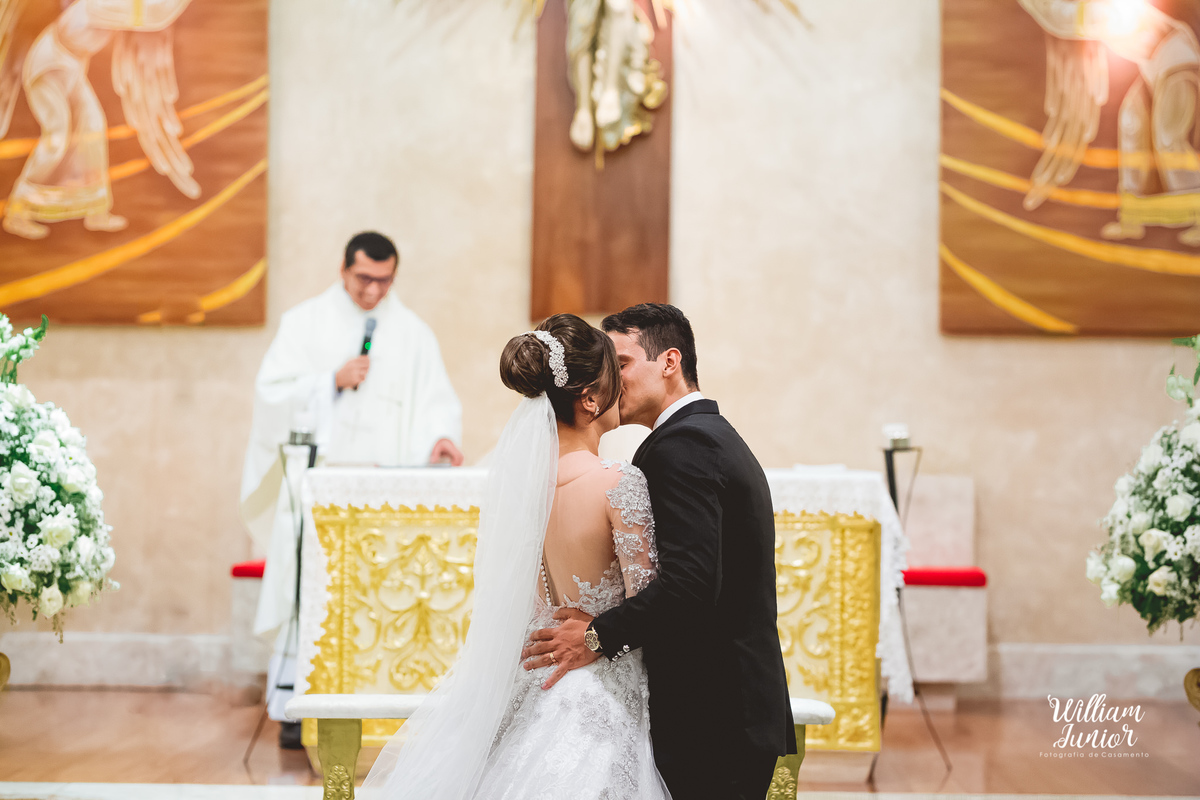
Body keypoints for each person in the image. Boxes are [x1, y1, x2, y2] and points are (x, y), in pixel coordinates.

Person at [362, 314, 670, 800]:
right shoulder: (617, 482)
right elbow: (651, 607)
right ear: (590, 397)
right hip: (599, 692)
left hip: (532, 685)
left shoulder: (519, 486)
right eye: (616, 374)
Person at [521, 303, 796, 800]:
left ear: (670, 361)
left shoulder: (684, 445)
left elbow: (689, 584)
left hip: (713, 715)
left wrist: (598, 634)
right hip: (721, 709)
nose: (611, 380)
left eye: (621, 364)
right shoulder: (695, 438)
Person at [240, 231, 463, 743]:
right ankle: (298, 708)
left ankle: (380, 704)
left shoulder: (413, 333)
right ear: (343, 270)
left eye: (385, 281)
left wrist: (442, 438)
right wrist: (329, 382)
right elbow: (271, 396)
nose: (373, 291)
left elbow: (437, 402)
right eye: (364, 279)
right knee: (312, 592)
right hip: (323, 488)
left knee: (382, 597)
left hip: (387, 493)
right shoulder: (304, 324)